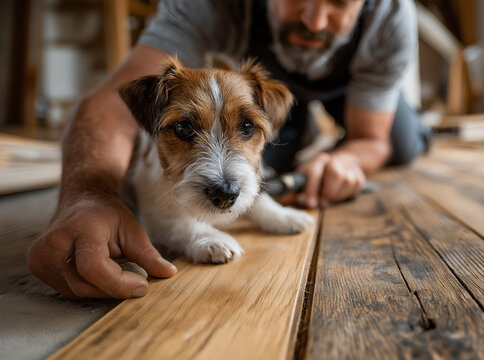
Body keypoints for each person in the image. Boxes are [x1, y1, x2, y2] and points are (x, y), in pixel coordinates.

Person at [28, 0, 430, 299]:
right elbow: (110, 107)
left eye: (339, 1)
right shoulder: (205, 6)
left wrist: (345, 159)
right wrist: (89, 192)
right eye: (185, 128)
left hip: (349, 90)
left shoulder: (392, 15)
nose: (314, 19)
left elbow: (370, 139)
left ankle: (318, 127)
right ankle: (296, 130)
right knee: (268, 157)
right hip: (252, 96)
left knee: (403, 141)